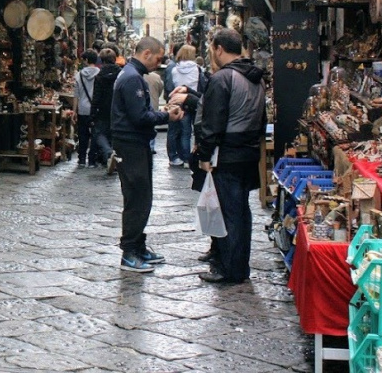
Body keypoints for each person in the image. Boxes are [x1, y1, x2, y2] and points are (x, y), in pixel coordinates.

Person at [192, 29, 266, 284]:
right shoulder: (256, 77)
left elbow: (213, 121)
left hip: (227, 154)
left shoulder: (223, 78)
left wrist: (204, 153)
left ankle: (230, 269)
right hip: (249, 152)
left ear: (219, 48)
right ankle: (239, 265)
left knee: (228, 212)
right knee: (242, 211)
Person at [110, 37, 186, 273]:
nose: (160, 62)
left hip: (134, 143)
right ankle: (129, 253)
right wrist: (167, 116)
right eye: (158, 57)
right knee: (136, 198)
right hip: (131, 144)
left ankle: (138, 246)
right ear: (146, 54)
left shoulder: (133, 75)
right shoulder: (132, 77)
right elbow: (139, 117)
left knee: (142, 197)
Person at [167, 45, 203, 167]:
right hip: (193, 99)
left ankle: (182, 157)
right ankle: (191, 158)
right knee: (194, 130)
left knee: (183, 132)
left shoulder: (174, 69)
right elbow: (201, 85)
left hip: (179, 101)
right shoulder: (197, 69)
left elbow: (169, 86)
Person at [90, 47, 121, 173]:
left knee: (99, 134)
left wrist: (92, 114)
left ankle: (108, 153)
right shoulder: (121, 73)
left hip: (102, 110)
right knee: (115, 134)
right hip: (118, 109)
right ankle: (114, 157)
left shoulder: (99, 76)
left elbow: (96, 96)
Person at [74, 50, 100, 167]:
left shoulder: (78, 75)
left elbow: (76, 95)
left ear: (86, 60)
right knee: (95, 134)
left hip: (83, 108)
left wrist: (74, 111)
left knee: (82, 134)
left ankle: (81, 159)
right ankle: (92, 160)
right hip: (95, 109)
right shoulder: (100, 73)